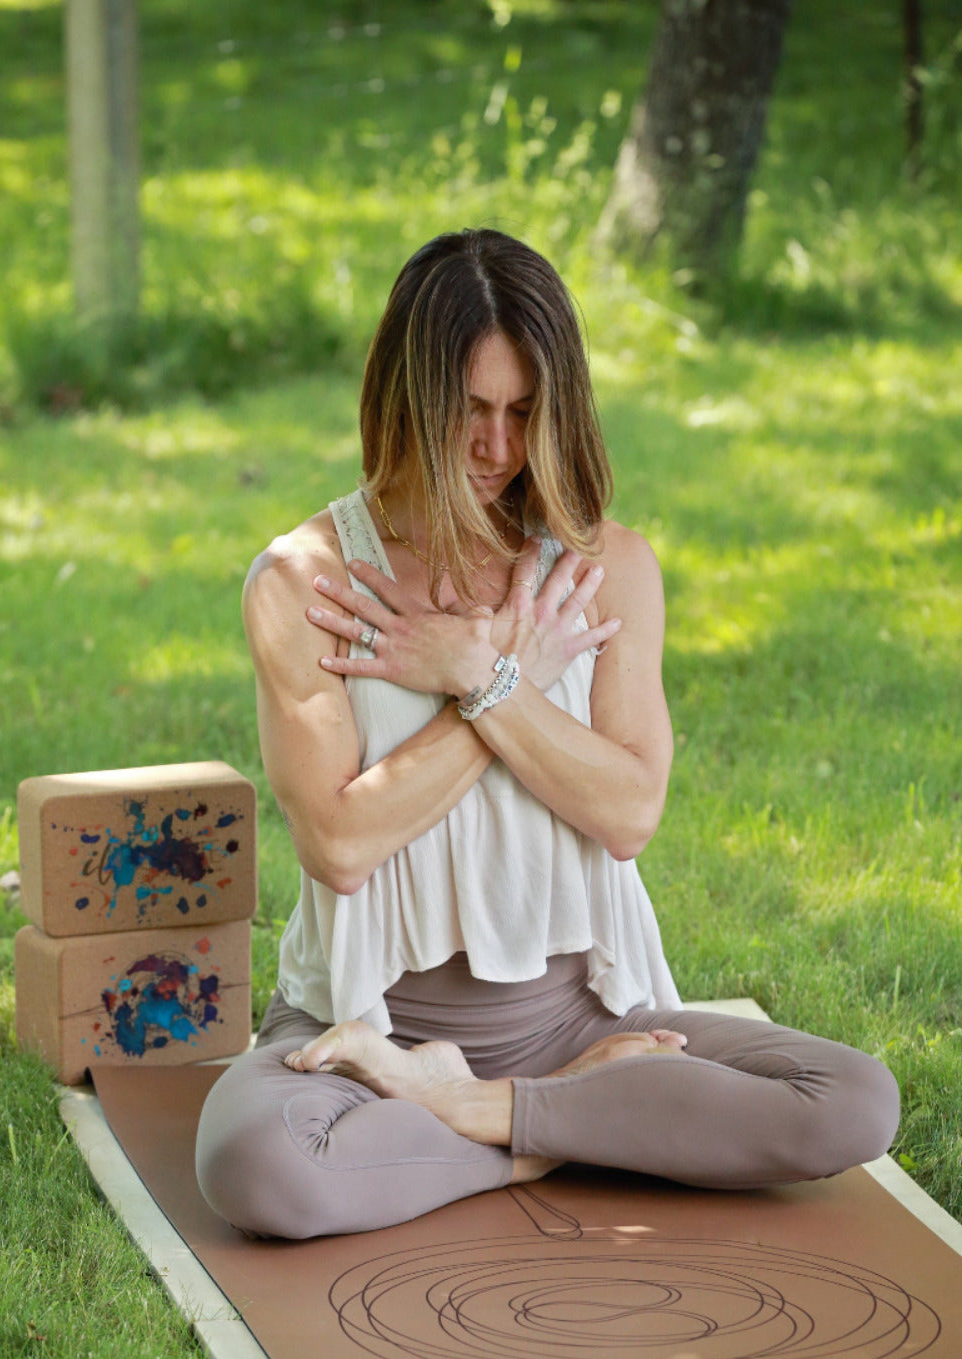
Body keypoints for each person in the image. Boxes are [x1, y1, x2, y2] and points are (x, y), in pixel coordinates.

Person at [195, 228, 899, 1240]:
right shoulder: (309, 583)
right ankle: (574, 1124)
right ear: (405, 400)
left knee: (851, 1101)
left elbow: (628, 813)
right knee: (257, 1167)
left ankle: (483, 1114)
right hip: (369, 1033)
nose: (496, 448)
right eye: (468, 411)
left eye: (525, 413)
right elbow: (339, 847)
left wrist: (482, 678)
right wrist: (497, 681)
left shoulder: (605, 569)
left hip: (582, 1021)